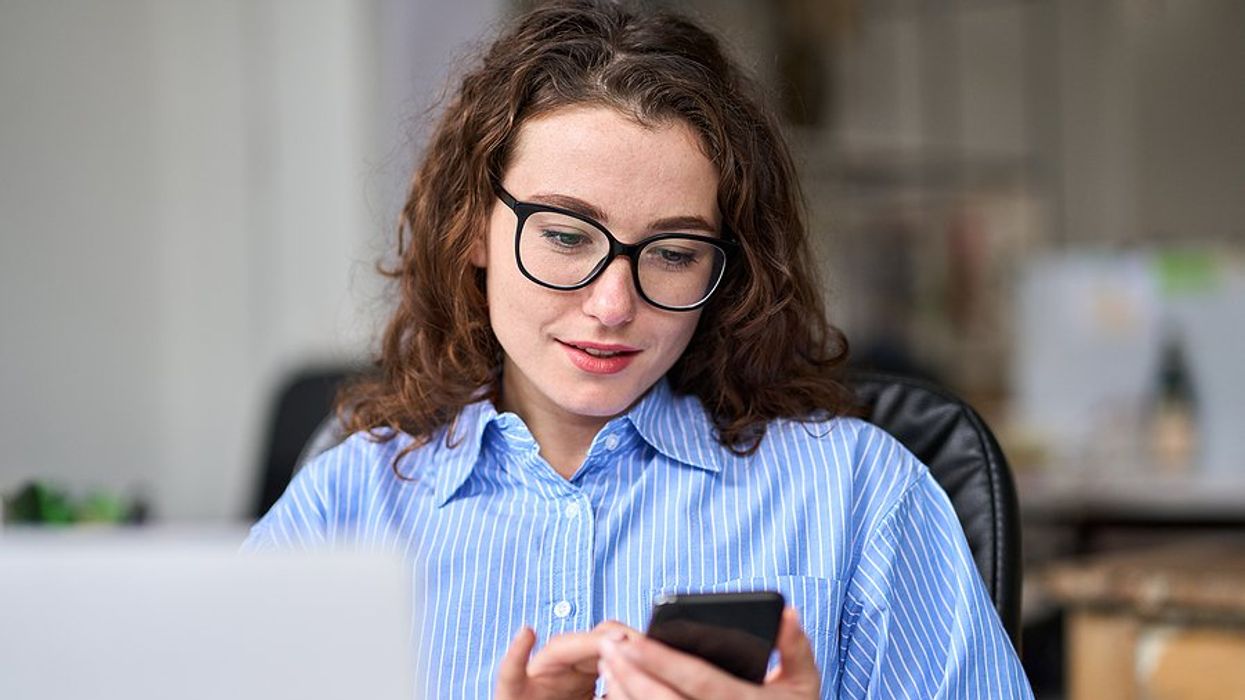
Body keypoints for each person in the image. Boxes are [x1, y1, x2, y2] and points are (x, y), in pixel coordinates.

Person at [244, 1, 1034, 698]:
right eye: (564, 236)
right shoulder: (346, 505)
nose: (612, 305)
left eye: (673, 252)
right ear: (472, 227)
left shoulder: (858, 495)